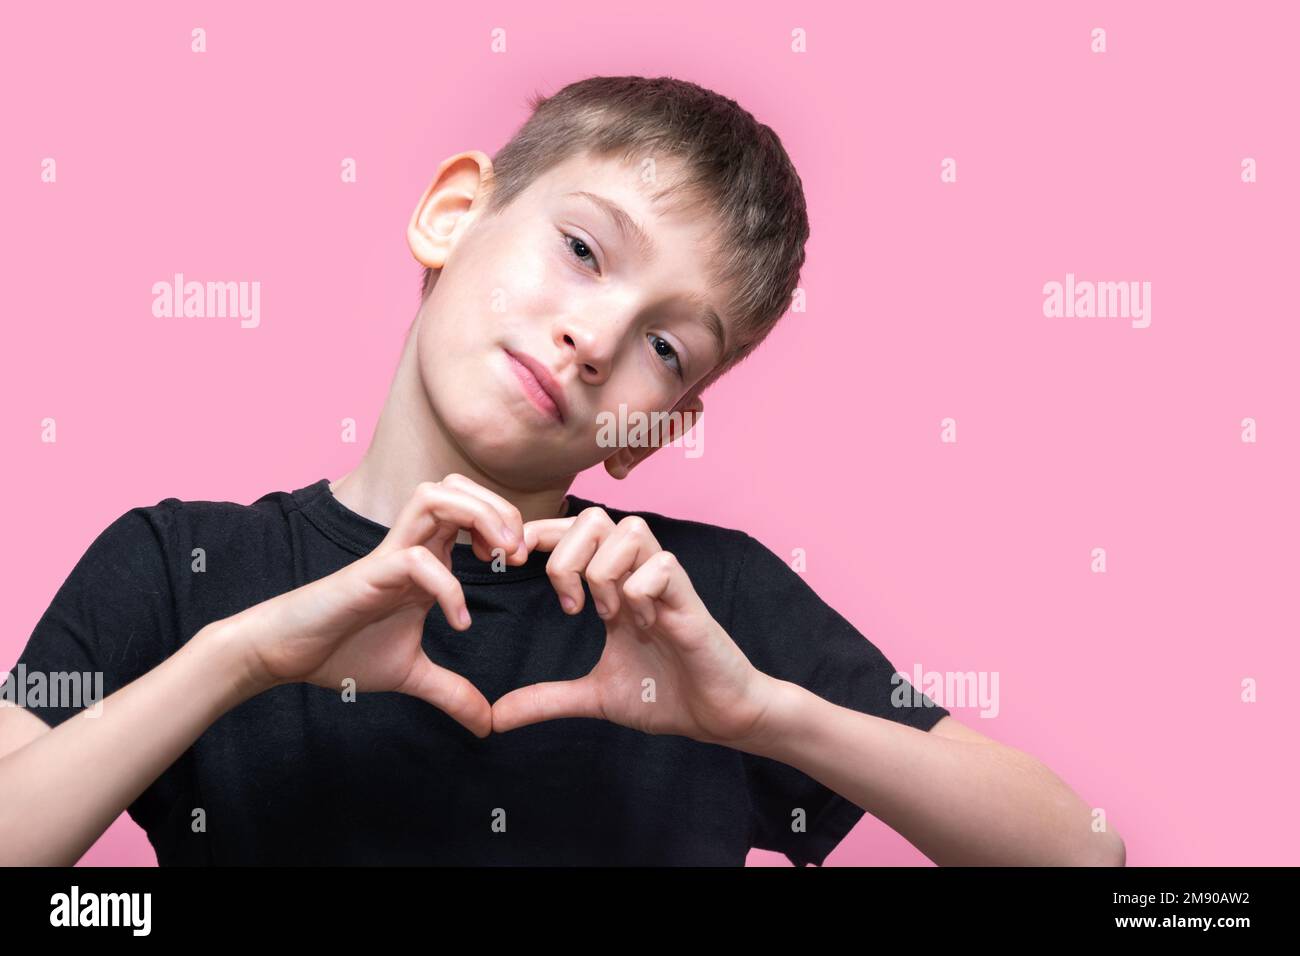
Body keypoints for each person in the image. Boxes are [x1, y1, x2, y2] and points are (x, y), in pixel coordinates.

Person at [0, 75, 1124, 867]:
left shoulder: (703, 607)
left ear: (657, 430)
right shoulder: (181, 562)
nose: (593, 338)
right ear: (453, 213)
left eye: (666, 347)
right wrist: (240, 656)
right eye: (582, 249)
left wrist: (762, 712)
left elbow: (1087, 855)